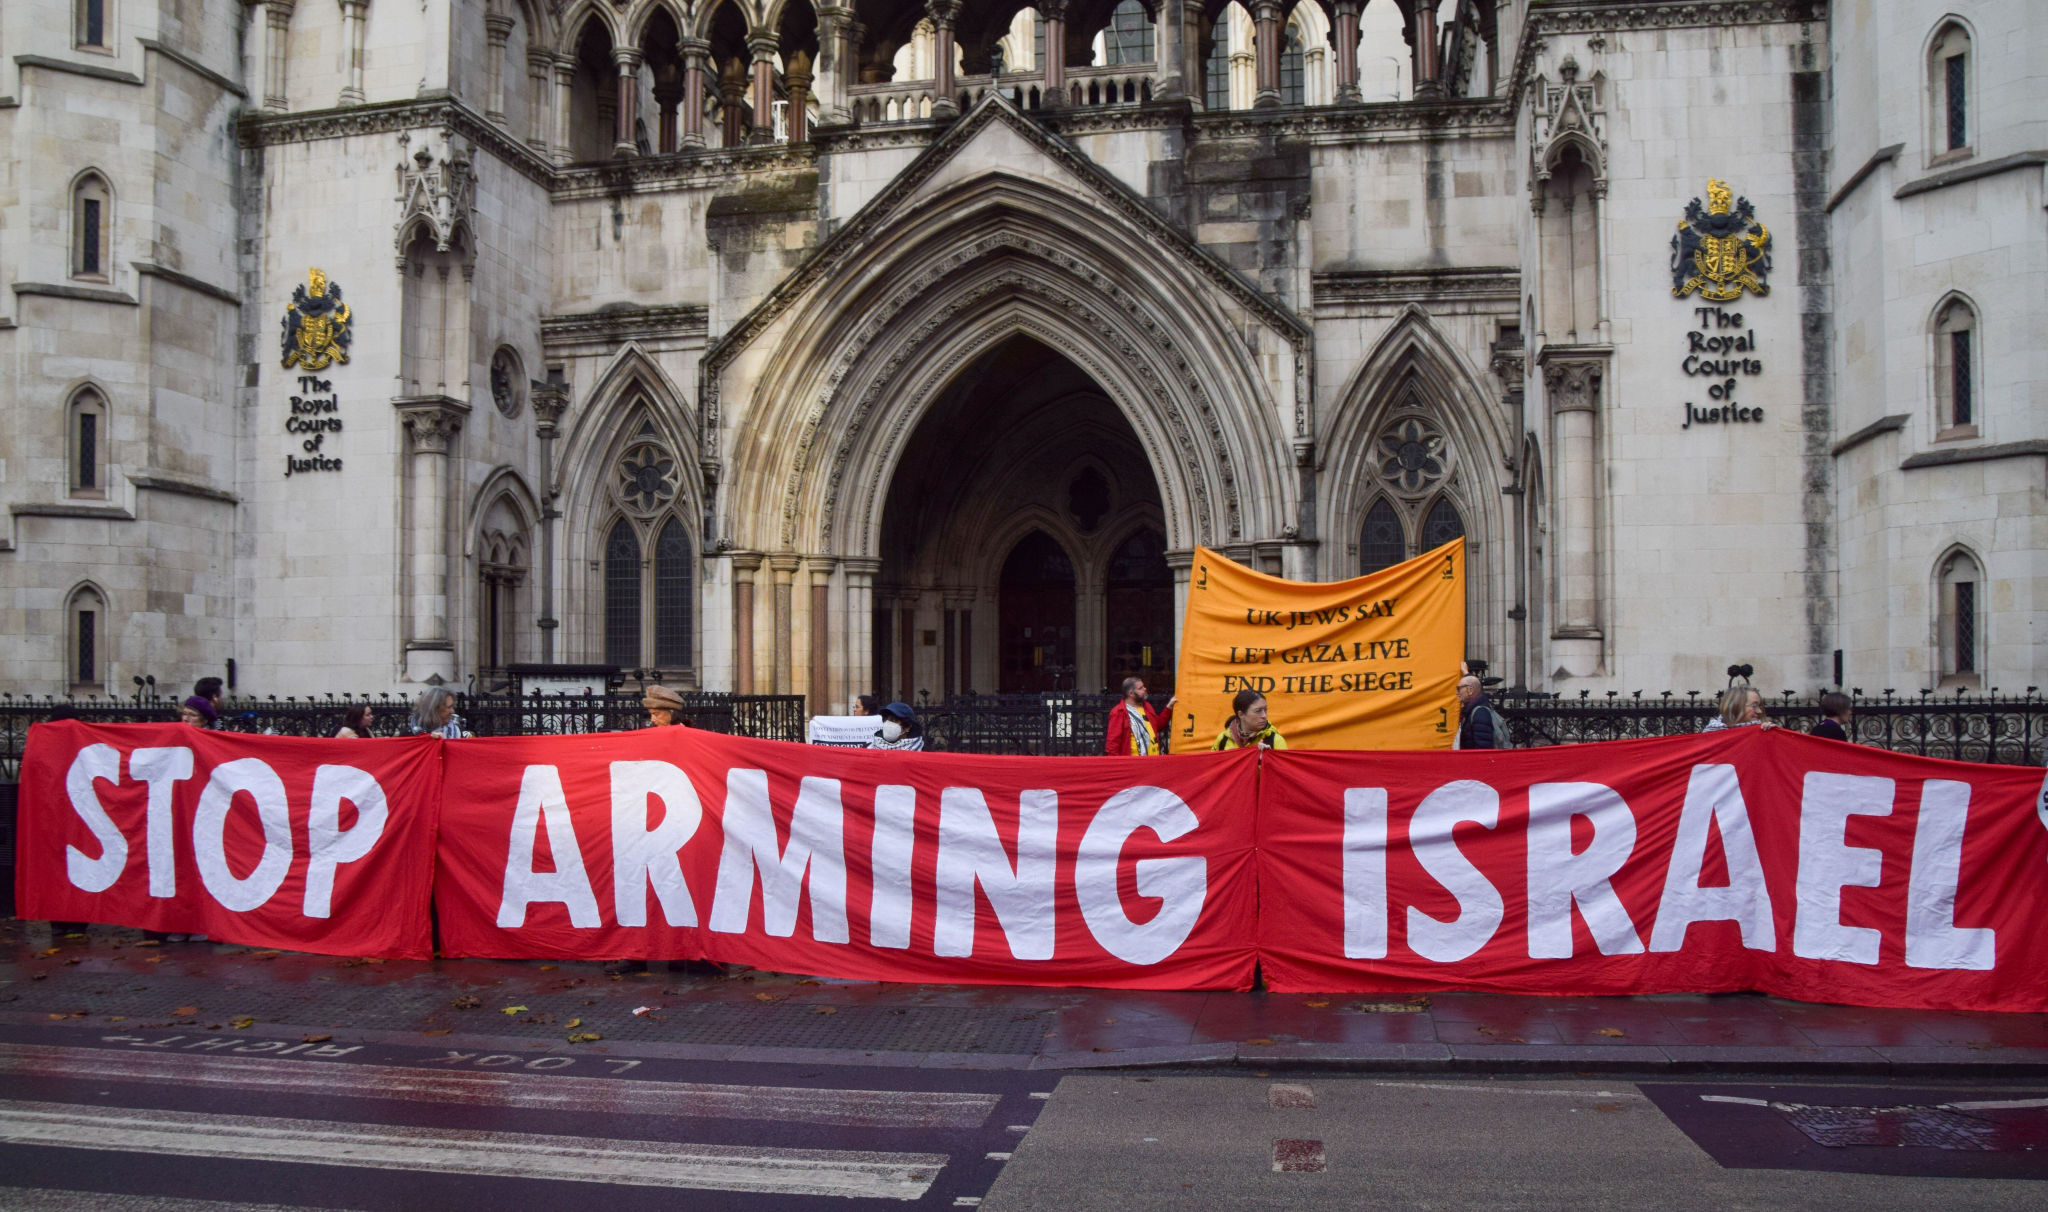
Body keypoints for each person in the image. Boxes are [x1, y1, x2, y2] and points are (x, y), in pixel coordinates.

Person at [1105, 677, 1177, 756]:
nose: (1145, 689)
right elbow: (1112, 744)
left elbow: (1157, 726)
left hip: (1153, 761)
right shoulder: (1118, 712)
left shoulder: (1147, 706)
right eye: (1140, 688)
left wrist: (1169, 707)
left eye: (1144, 686)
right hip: (1134, 763)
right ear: (1131, 693)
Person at [1212, 689, 1286, 750]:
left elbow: (1283, 767)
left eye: (1265, 710)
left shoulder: (1274, 740)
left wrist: (1267, 758)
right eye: (1258, 711)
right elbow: (1213, 766)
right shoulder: (1223, 739)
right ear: (1241, 714)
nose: (1264, 715)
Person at [1454, 676, 1503, 749]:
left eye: (1459, 689)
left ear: (1470, 690)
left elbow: (1483, 747)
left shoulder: (1480, 712)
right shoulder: (1472, 709)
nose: (1457, 693)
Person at [1703, 685, 1776, 732]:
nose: (1759, 711)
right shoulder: (1711, 734)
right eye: (1754, 706)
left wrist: (1772, 734)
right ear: (1736, 706)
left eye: (1759, 706)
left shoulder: (1764, 730)